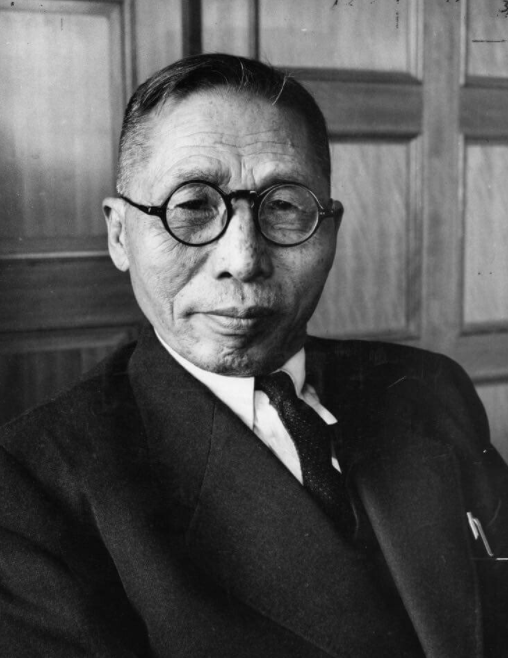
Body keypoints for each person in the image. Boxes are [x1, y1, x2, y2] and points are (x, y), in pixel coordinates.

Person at [0, 53, 507, 658]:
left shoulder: (428, 387)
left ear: (330, 229)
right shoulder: (33, 484)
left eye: (284, 207)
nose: (242, 260)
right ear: (119, 234)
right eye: (193, 206)